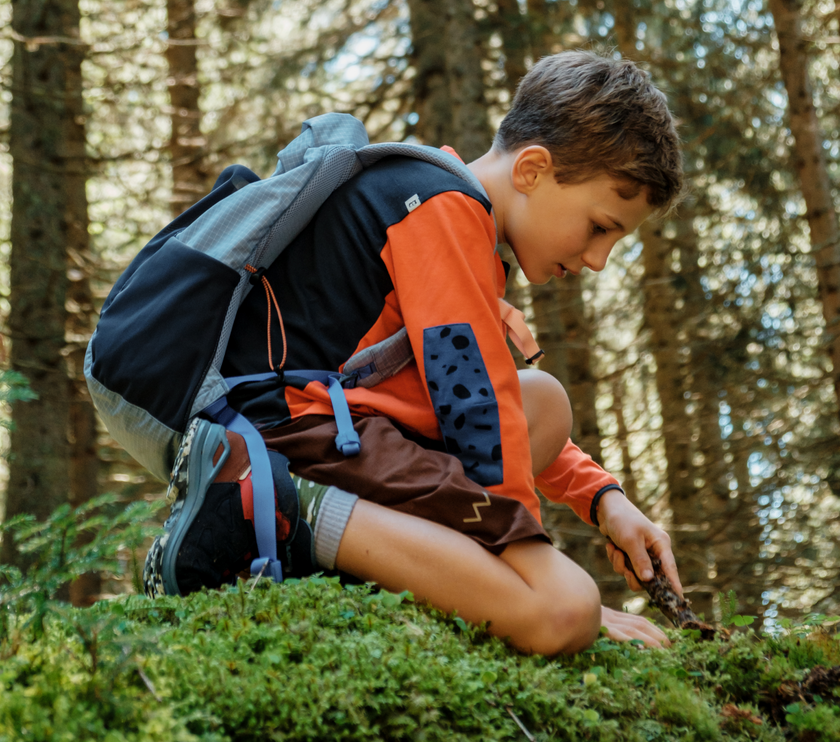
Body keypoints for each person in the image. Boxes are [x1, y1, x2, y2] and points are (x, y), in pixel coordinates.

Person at [145, 50, 685, 656]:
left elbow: (500, 409)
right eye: (599, 226)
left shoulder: (439, 208)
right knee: (566, 610)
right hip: (300, 437)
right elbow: (475, 414)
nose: (596, 259)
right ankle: (261, 509)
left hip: (330, 433)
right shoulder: (443, 211)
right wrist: (527, 568)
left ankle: (331, 550)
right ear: (532, 170)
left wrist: (604, 500)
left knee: (542, 403)